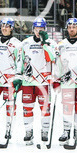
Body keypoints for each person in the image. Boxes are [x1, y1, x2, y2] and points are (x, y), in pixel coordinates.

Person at [18, 17, 56, 146]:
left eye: (41, 28)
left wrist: (44, 43)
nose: (38, 31)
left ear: (45, 29)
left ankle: (45, 131)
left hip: (43, 81)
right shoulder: (25, 43)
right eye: (36, 28)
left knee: (45, 108)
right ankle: (28, 132)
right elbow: (20, 61)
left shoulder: (51, 42)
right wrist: (18, 76)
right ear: (33, 29)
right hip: (28, 81)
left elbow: (52, 57)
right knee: (27, 108)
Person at [53, 17, 77, 146]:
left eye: (74, 27)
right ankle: (66, 131)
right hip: (67, 81)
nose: (72, 29)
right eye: (69, 27)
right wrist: (56, 78)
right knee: (67, 106)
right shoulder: (61, 44)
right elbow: (57, 63)